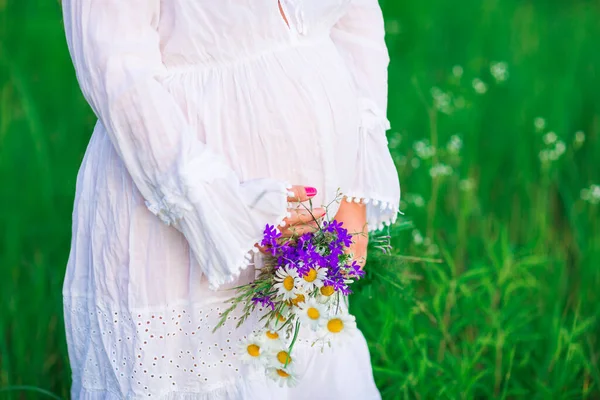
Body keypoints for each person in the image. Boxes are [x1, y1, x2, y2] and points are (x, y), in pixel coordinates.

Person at [61, 0, 400, 398]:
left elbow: (354, 18)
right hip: (180, 220)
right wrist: (223, 210)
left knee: (300, 365)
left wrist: (353, 190)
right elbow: (117, 70)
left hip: (310, 232)